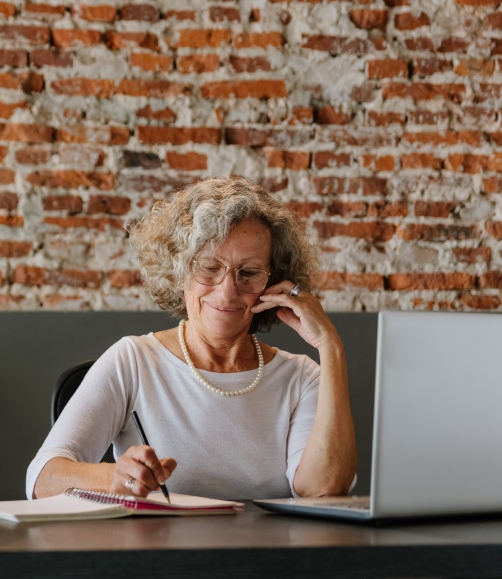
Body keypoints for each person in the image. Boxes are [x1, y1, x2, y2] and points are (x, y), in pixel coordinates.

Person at [27, 176, 357, 501]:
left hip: (268, 555)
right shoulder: (133, 361)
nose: (228, 291)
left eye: (250, 272)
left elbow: (322, 488)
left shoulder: (301, 378)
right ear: (180, 270)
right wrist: (114, 476)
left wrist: (332, 348)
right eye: (210, 267)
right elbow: (42, 478)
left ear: (274, 284)